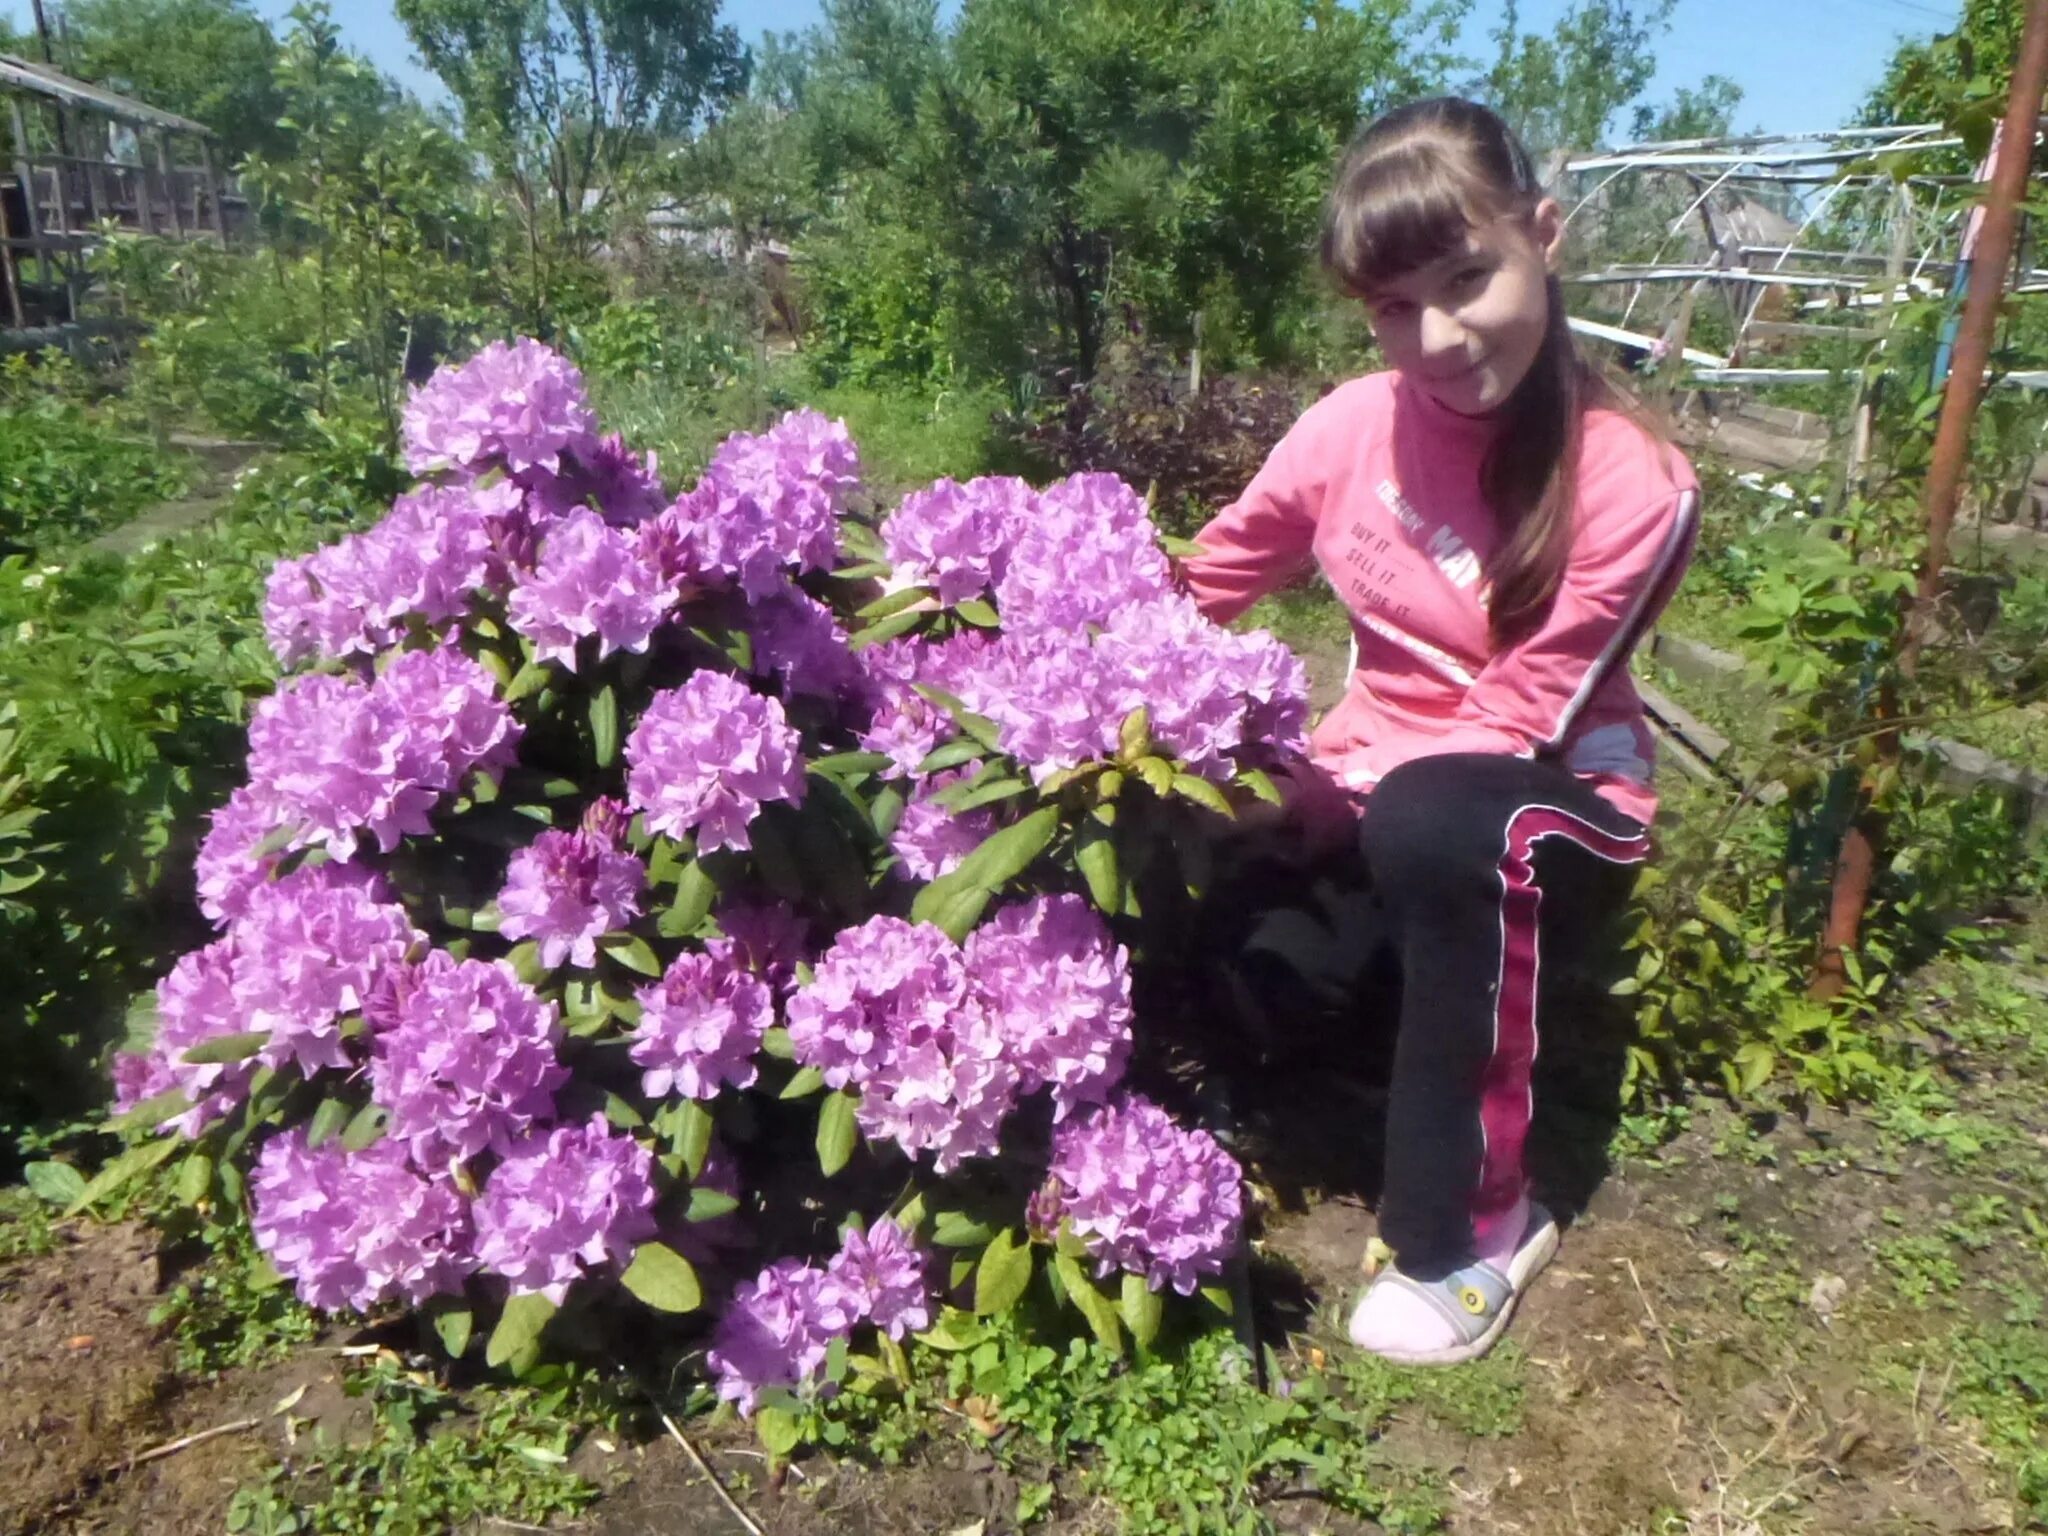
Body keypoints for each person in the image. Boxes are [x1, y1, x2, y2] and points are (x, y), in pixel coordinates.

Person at [1178, 97, 1700, 1366]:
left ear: (1543, 236)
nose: (1439, 336)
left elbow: (1522, 715)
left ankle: (1471, 1225)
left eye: (1468, 278)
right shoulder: (1350, 423)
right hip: (1380, 792)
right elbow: (1206, 578)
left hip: (1546, 805)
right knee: (1234, 994)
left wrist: (1319, 795)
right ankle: (1388, 1015)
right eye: (1393, 307)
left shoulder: (1630, 478)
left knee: (1432, 819)